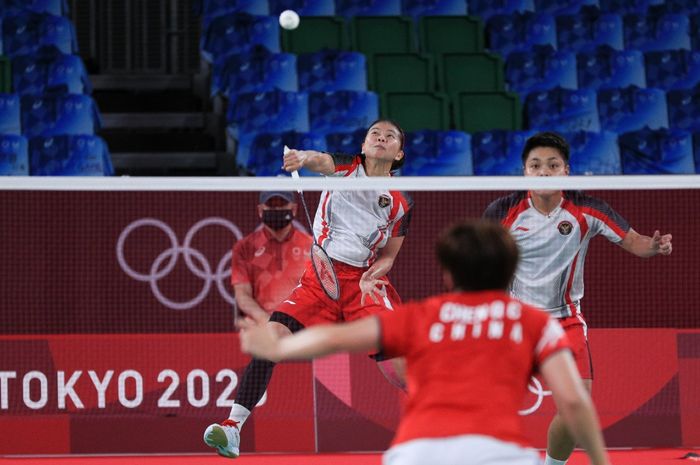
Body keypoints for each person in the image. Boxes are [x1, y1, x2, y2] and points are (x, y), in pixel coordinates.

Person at [237, 220, 611, 465]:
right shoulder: (533, 322)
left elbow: (336, 337)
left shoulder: (422, 315)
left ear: (448, 274)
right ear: (512, 268)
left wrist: (277, 348)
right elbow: (574, 401)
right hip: (498, 453)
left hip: (416, 454)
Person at [203, 119, 414, 458]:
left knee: (400, 369)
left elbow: (389, 255)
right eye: (375, 133)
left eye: (390, 136)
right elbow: (321, 160)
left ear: (399, 153)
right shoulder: (347, 168)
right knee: (270, 342)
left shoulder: (402, 202)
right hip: (320, 278)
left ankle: (450, 423)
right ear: (362, 145)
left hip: (365, 285)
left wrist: (374, 273)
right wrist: (302, 158)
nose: (381, 137)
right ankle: (232, 428)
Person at [483, 131, 672, 465]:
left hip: (565, 320)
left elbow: (633, 241)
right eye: (536, 165)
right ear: (525, 171)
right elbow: (476, 258)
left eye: (552, 165)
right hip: (515, 321)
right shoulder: (504, 210)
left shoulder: (586, 208)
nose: (544, 172)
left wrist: (653, 247)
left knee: (577, 406)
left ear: (565, 171)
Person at [231, 191, 312, 319]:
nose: (277, 209)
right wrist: (269, 322)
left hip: (301, 325)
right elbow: (242, 295)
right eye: (271, 205)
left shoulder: (312, 246)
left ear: (294, 209)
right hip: (263, 325)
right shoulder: (244, 247)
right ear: (260, 210)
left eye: (282, 204)